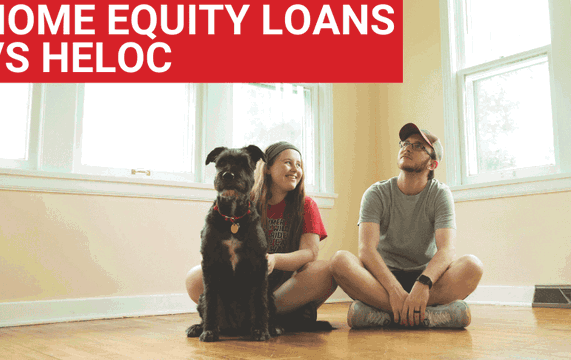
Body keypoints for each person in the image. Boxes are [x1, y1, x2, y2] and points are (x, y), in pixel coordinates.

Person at [331, 123, 483, 328]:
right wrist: (394, 289)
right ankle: (429, 316)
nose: (408, 148)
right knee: (340, 261)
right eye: (405, 143)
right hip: (383, 280)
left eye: (419, 146)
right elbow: (366, 250)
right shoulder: (376, 193)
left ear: (432, 165)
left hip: (426, 279)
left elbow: (447, 249)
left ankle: (383, 315)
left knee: (473, 266)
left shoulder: (440, 194)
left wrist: (423, 284)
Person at [186, 141, 336, 326]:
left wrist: (274, 260)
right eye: (288, 162)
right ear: (267, 168)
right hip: (245, 286)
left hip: (285, 286)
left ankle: (258, 315)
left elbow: (310, 253)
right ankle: (276, 317)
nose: (295, 169)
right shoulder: (244, 199)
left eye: (299, 165)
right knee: (194, 277)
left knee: (326, 270)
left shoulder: (307, 205)